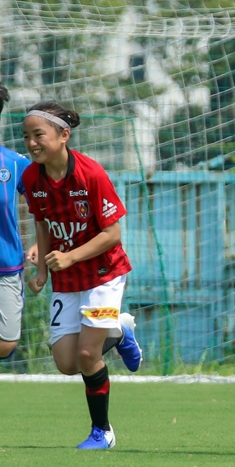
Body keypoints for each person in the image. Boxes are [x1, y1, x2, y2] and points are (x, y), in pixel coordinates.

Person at [22, 101, 143, 449]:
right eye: (26, 136)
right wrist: (43, 268)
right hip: (66, 279)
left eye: (38, 135)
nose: (31, 143)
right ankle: (118, 332)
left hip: (105, 273)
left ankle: (102, 432)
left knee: (89, 356)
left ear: (63, 135)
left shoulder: (91, 174)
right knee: (66, 363)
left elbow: (112, 233)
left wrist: (70, 256)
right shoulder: (33, 177)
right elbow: (43, 223)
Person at [0, 84, 37, 361]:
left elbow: (45, 206)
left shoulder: (14, 164)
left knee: (6, 344)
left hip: (6, 265)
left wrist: (40, 242)